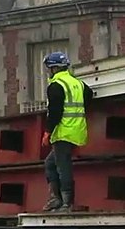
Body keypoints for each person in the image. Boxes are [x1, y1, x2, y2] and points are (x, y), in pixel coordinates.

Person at [40, 52, 95, 212]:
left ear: (54, 68)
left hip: (63, 131)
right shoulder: (77, 83)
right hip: (76, 130)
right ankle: (56, 199)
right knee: (50, 164)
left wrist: (47, 132)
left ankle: (66, 203)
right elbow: (89, 96)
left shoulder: (56, 85)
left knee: (63, 166)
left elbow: (55, 112)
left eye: (49, 69)